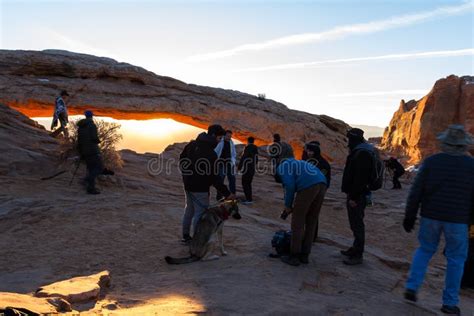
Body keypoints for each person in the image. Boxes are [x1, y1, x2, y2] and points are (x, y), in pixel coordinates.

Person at [403, 125, 474, 315]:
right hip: (458, 220)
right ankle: (449, 303)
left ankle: (412, 286)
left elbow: (416, 190)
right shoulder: (471, 165)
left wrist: (409, 215)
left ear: (445, 143)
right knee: (456, 259)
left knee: (425, 250)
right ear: (464, 146)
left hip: (430, 216)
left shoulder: (432, 161)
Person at [179, 125, 237, 243]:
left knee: (189, 210)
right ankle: (197, 241)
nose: (220, 140)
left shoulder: (191, 145)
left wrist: (186, 176)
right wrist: (227, 193)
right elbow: (214, 177)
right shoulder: (211, 154)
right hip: (200, 188)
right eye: (219, 138)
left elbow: (182, 160)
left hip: (188, 185)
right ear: (213, 136)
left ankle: (185, 236)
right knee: (199, 214)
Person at [274, 142, 327, 266]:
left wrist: (288, 206)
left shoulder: (284, 164)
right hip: (322, 183)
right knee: (311, 220)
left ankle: (294, 256)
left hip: (308, 186)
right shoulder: (298, 162)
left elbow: (290, 186)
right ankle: (305, 255)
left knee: (297, 222)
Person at [341, 128, 374, 265]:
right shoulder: (362, 151)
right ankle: (355, 248)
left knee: (357, 224)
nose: (348, 142)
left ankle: (358, 255)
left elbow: (360, 178)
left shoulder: (362, 154)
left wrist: (354, 197)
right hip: (358, 193)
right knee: (355, 223)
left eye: (349, 138)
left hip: (358, 195)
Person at [302, 141, 331, 241]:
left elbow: (325, 179)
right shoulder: (308, 160)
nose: (308, 153)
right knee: (306, 213)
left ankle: (311, 236)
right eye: (308, 151)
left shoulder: (322, 163)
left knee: (313, 214)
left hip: (317, 192)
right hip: (306, 190)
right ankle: (307, 234)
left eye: (310, 151)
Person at [77, 110, 103, 195]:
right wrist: (98, 141)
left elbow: (79, 140)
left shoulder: (80, 127)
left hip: (84, 151)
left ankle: (90, 188)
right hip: (92, 150)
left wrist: (81, 152)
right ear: (91, 116)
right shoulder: (92, 125)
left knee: (90, 168)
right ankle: (88, 180)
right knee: (99, 168)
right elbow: (94, 138)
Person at [214, 130, 237, 201]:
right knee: (220, 180)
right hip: (221, 164)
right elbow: (216, 151)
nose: (229, 137)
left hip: (229, 164)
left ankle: (232, 195)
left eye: (230, 136)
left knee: (232, 180)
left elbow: (233, 153)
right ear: (224, 135)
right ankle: (219, 197)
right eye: (228, 136)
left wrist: (233, 161)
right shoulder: (220, 142)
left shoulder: (231, 142)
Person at [238, 137, 259, 205]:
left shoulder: (248, 148)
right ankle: (249, 198)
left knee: (245, 183)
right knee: (248, 183)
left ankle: (248, 199)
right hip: (252, 169)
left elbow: (244, 157)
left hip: (247, 168)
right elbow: (256, 160)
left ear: (248, 141)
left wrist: (239, 167)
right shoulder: (255, 148)